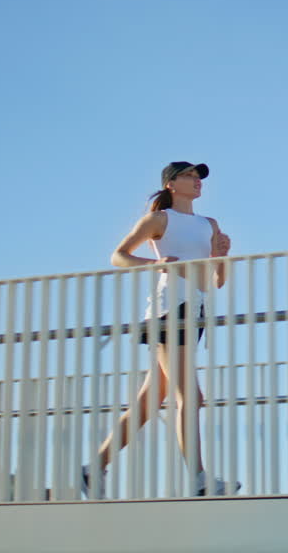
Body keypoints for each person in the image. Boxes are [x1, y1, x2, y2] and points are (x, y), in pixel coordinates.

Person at [82, 161, 237, 498]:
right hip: (169, 312)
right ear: (171, 183)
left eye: (199, 178)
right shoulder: (158, 220)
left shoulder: (209, 224)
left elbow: (216, 282)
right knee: (191, 397)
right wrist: (156, 264)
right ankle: (198, 480)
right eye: (190, 176)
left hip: (195, 311)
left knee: (149, 400)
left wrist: (223, 257)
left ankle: (93, 468)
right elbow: (118, 256)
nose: (197, 182)